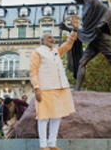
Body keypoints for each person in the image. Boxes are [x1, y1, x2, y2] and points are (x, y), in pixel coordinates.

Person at [60, 0, 111, 92]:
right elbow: (85, 31)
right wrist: (67, 28)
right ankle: (77, 89)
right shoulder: (84, 8)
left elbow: (108, 12)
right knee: (82, 62)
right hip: (93, 40)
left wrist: (102, 24)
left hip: (101, 38)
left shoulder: (93, 1)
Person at [29, 14, 78, 150]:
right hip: (45, 88)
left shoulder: (56, 51)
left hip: (60, 87)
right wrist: (37, 87)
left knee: (57, 116)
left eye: (52, 37)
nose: (52, 39)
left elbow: (68, 44)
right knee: (43, 117)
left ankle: (52, 144)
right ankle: (43, 145)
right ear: (42, 40)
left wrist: (74, 30)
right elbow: (33, 71)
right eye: (49, 37)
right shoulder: (37, 52)